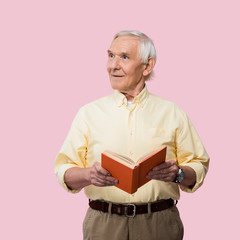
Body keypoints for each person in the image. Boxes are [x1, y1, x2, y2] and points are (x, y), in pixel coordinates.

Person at [54, 30, 209, 240]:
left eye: (124, 57)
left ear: (147, 66)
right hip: (103, 224)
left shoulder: (173, 112)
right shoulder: (88, 113)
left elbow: (199, 164)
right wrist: (88, 175)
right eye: (110, 56)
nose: (113, 65)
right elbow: (64, 170)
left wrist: (178, 173)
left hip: (160, 224)